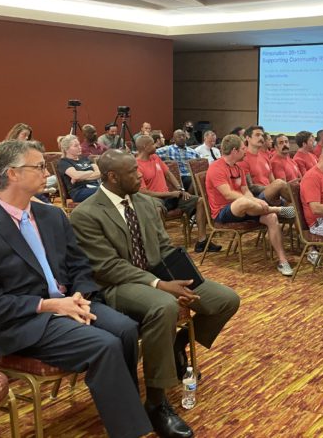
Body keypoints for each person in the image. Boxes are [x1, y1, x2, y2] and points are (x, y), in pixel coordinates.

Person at [0, 140, 152, 438]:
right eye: (38, 166)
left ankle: (122, 408)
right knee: (105, 345)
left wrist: (79, 295)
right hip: (27, 322)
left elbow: (80, 267)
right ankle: (131, 429)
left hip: (70, 303)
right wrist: (49, 306)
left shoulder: (51, 215)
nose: (46, 172)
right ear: (13, 174)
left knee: (125, 329)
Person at [70, 149, 240, 438]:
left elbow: (163, 248)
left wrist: (183, 280)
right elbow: (108, 268)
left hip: (158, 277)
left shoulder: (146, 203)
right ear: (112, 177)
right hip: (117, 286)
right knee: (164, 306)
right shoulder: (86, 214)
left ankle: (176, 342)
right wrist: (161, 286)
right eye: (132, 172)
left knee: (226, 299)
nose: (140, 175)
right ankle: (156, 402)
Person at [205, 134, 294, 276]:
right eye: (242, 148)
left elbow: (246, 190)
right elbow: (228, 194)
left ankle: (283, 261)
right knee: (243, 202)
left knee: (271, 218)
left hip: (247, 209)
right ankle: (278, 209)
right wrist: (253, 201)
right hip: (223, 212)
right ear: (234, 151)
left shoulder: (238, 168)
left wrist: (255, 200)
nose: (244, 151)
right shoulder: (216, 168)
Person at [134, 135, 220, 253]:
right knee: (157, 210)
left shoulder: (154, 157)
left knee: (199, 201)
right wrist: (170, 194)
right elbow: (144, 192)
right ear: (144, 147)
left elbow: (168, 174)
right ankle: (164, 247)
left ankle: (202, 242)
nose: (155, 145)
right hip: (154, 199)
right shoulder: (136, 165)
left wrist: (180, 189)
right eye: (152, 144)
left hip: (169, 195)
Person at [57, 134, 101, 202]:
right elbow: (76, 176)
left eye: (79, 145)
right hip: (79, 191)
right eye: (75, 146)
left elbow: (99, 173)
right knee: (106, 192)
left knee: (113, 189)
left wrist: (81, 177)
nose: (80, 147)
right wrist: (91, 172)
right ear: (66, 149)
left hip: (95, 186)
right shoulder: (63, 162)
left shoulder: (85, 158)